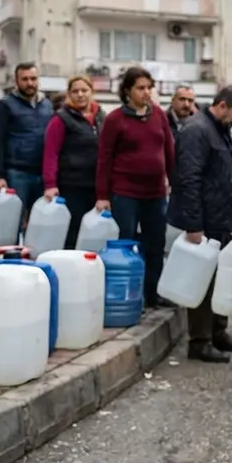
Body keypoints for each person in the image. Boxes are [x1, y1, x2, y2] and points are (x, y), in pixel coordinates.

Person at [167, 86, 232, 363]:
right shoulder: (196, 130)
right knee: (202, 282)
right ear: (222, 106)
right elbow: (188, 178)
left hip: (219, 217)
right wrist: (193, 224)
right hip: (203, 220)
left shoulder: (219, 129)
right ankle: (199, 341)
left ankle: (218, 332)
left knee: (218, 278)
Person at [96, 67, 175, 308]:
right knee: (125, 242)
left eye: (149, 88)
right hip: (125, 191)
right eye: (140, 88)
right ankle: (127, 294)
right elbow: (104, 159)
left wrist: (174, 181)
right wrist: (102, 195)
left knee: (155, 244)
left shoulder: (159, 115)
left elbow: (169, 151)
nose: (146, 92)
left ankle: (153, 294)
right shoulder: (115, 119)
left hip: (155, 193)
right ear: (128, 91)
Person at [0, 62, 53, 234]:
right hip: (16, 173)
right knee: (12, 224)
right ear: (16, 81)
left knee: (38, 226)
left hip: (41, 174)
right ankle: (11, 259)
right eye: (24, 79)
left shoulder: (47, 105)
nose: (30, 83)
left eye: (33, 78)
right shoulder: (5, 105)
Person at [42, 75, 103, 249]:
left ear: (92, 92)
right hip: (72, 185)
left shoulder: (101, 116)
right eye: (75, 91)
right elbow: (50, 153)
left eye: (84, 90)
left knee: (93, 234)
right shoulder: (61, 119)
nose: (80, 95)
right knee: (73, 233)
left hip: (96, 186)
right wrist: (50, 184)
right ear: (69, 94)